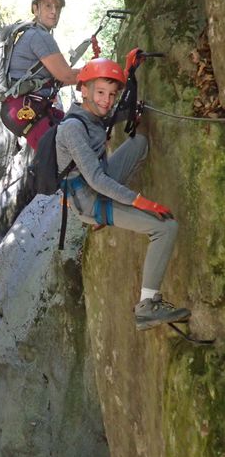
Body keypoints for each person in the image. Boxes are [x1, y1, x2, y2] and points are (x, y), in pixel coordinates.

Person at [55, 57, 191, 330]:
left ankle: (119, 211)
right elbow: (96, 180)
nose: (107, 101)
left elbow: (119, 106)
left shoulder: (94, 115)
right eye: (100, 93)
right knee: (166, 228)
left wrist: (128, 72)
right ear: (84, 90)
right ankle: (147, 306)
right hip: (91, 201)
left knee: (139, 143)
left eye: (111, 94)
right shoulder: (72, 128)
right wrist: (142, 202)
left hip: (99, 181)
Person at [1, 0, 79, 150]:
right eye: (48, 6)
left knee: (72, 136)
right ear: (35, 9)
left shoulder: (32, 33)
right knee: (67, 158)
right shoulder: (40, 36)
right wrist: (102, 75)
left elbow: (58, 80)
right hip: (27, 111)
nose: (54, 11)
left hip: (22, 111)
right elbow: (66, 75)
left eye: (57, 7)